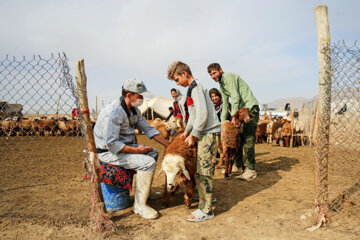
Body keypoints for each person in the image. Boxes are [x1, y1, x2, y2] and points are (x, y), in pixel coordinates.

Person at [93, 78, 169, 220]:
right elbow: (112, 144)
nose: (142, 99)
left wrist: (169, 146)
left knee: (153, 152)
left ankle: (145, 193)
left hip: (123, 146)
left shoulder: (133, 110)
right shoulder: (114, 112)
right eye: (140, 96)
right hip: (109, 152)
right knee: (148, 163)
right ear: (129, 95)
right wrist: (137, 151)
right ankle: (139, 206)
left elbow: (148, 129)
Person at [167, 61, 220, 222]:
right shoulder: (191, 91)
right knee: (199, 171)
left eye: (177, 80)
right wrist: (186, 132)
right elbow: (192, 116)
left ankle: (207, 209)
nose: (177, 84)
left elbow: (203, 114)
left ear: (184, 74)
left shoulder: (196, 87)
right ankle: (205, 201)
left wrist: (194, 134)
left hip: (208, 133)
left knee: (204, 172)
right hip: (202, 133)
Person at [207, 63, 259, 181]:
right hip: (240, 112)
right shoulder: (222, 85)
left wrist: (234, 117)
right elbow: (225, 104)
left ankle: (251, 170)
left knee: (248, 139)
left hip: (249, 109)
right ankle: (238, 165)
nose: (213, 76)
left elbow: (235, 97)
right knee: (237, 139)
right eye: (210, 74)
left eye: (214, 73)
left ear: (221, 70)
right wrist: (223, 121)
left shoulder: (229, 77)